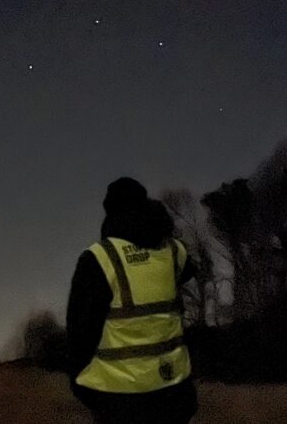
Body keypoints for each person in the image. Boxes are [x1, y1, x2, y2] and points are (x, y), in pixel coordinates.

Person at [66, 177, 199, 424]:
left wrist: (80, 383)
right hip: (175, 393)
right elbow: (190, 270)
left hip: (119, 403)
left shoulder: (99, 258)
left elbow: (79, 333)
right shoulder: (174, 251)